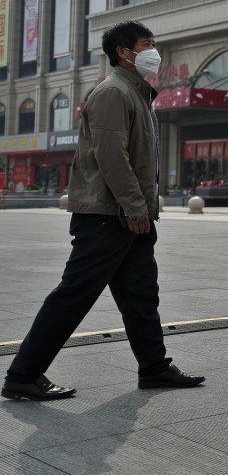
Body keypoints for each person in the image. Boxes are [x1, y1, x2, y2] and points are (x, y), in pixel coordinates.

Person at [2, 21, 205, 402]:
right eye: (147, 45)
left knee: (142, 294)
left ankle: (154, 367)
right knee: (75, 294)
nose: (154, 52)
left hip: (130, 214)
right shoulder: (113, 92)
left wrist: (140, 208)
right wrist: (133, 206)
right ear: (124, 53)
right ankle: (22, 375)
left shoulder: (137, 94)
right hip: (109, 215)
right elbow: (113, 157)